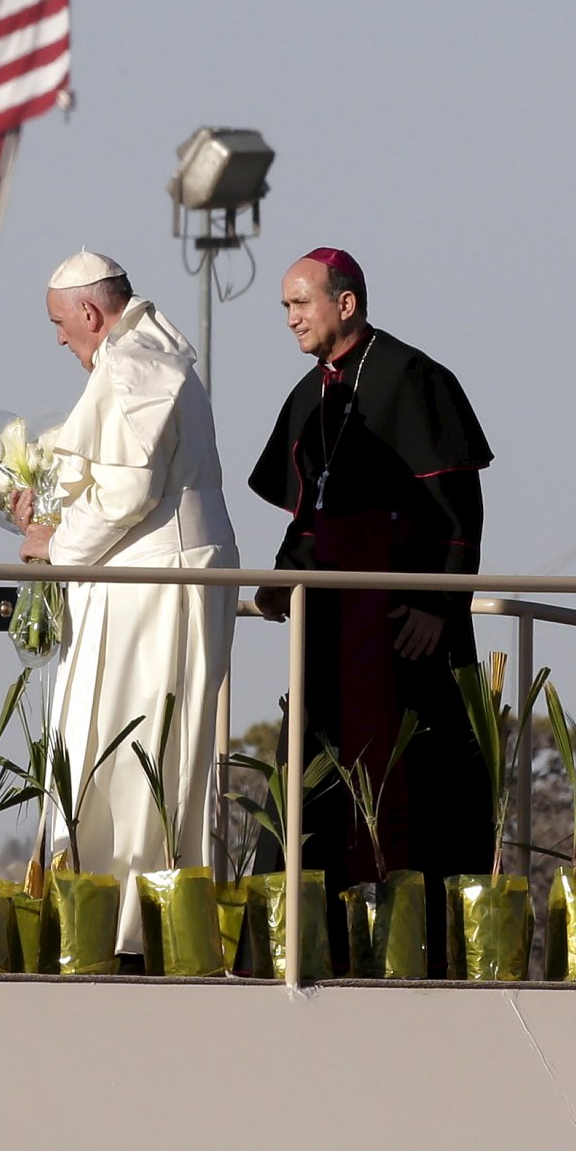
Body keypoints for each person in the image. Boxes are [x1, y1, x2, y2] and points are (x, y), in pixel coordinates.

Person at [245, 248, 493, 944]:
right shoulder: (310, 395)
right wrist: (278, 580)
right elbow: (310, 514)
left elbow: (459, 510)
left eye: (301, 302)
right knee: (316, 778)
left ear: (345, 303)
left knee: (422, 781)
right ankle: (303, 937)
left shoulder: (414, 377)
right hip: (332, 628)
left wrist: (438, 605)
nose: (290, 317)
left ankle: (421, 940)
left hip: (405, 628)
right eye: (286, 305)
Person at [15, 250, 236, 956]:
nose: (58, 339)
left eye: (60, 323)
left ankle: (128, 926)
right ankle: (111, 912)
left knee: (138, 753)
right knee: (118, 750)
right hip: (148, 580)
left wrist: (55, 544)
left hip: (158, 584)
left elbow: (130, 490)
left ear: (90, 312)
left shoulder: (134, 361)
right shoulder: (143, 353)